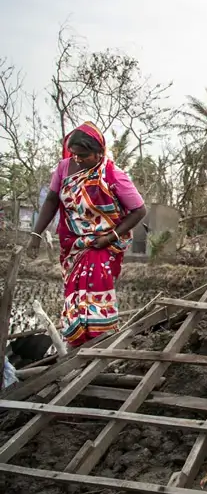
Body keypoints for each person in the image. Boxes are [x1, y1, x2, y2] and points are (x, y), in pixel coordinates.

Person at [27, 122, 147, 347]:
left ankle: (99, 347)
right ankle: (76, 347)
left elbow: (140, 210)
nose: (77, 160)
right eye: (73, 155)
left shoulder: (112, 175)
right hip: (74, 246)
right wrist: (36, 233)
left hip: (101, 247)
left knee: (96, 300)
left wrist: (110, 237)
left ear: (99, 153)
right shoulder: (64, 168)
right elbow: (52, 200)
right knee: (74, 300)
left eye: (83, 155)